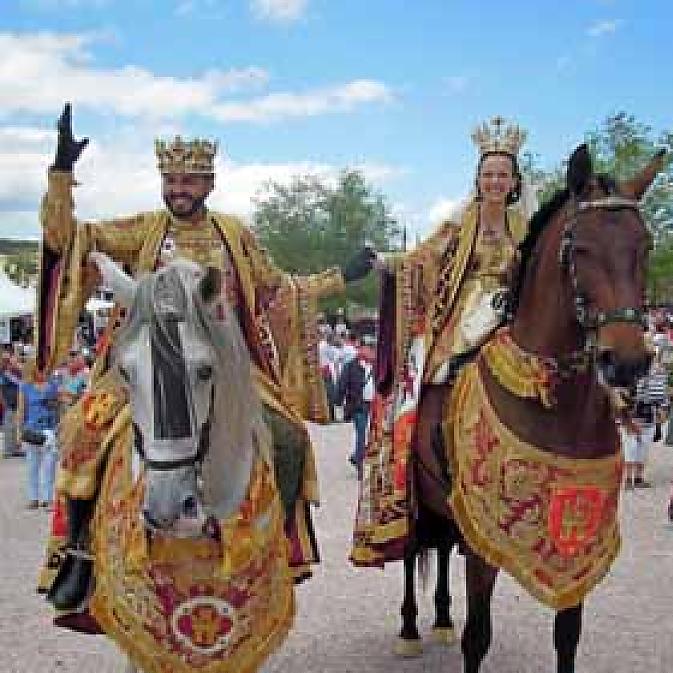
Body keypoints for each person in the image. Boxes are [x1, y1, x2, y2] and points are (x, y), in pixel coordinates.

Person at [36, 102, 374, 609]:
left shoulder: (234, 234)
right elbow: (67, 240)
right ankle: (80, 554)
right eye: (171, 181)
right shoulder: (143, 228)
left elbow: (278, 290)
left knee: (288, 437)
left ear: (209, 185)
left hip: (226, 367)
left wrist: (339, 278)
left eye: (189, 181)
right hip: (150, 363)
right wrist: (61, 174)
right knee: (84, 431)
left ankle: (276, 547)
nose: (179, 190)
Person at [352, 116, 529, 565]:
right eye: (488, 174)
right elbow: (422, 259)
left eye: (503, 174)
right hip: (464, 316)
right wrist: (386, 262)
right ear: (478, 179)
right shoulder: (460, 225)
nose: (495, 181)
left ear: (514, 182)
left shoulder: (525, 228)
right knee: (430, 382)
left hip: (509, 314)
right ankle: (412, 467)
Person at [0, 357, 61, 508]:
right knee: (32, 467)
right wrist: (19, 433)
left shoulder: (53, 386)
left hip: (49, 430)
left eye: (45, 368)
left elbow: (58, 408)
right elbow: (21, 411)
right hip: (31, 430)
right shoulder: (25, 387)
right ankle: (33, 498)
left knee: (49, 467)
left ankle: (47, 498)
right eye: (40, 368)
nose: (43, 371)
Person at [621, 353, 670, 489]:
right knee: (630, 448)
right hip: (632, 417)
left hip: (648, 417)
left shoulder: (659, 375)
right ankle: (628, 479)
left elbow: (663, 396)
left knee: (643, 448)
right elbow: (623, 394)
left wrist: (663, 408)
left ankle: (637, 478)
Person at [336, 347, 374, 479]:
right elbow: (342, 384)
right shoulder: (350, 366)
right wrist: (338, 402)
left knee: (371, 434)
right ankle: (360, 466)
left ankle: (357, 456)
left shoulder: (376, 365)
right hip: (358, 405)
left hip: (374, 405)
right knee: (362, 434)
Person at [0, 350, 24, 457]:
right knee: (9, 427)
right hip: (9, 403)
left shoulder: (15, 372)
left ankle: (15, 449)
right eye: (6, 360)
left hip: (17, 403)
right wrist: (3, 402)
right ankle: (8, 450)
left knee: (16, 427)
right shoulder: (4, 374)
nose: (9, 362)